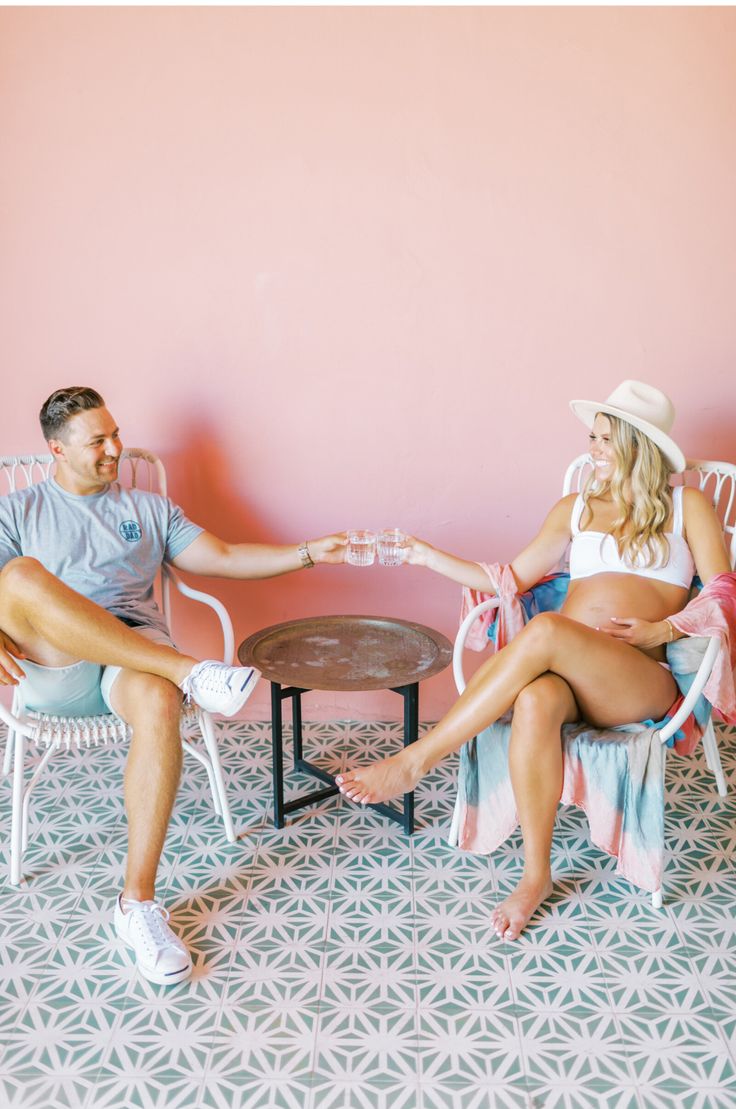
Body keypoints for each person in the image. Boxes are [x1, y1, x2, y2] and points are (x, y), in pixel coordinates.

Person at [336, 380, 731, 940]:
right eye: (590, 437)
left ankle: (417, 760)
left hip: (640, 678)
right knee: (536, 698)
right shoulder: (574, 509)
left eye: (603, 439)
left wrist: (661, 630)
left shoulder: (686, 507)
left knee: (547, 629)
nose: (591, 448)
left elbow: (723, 592)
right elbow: (508, 580)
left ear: (637, 446)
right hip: (569, 673)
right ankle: (534, 876)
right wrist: (426, 555)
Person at [0, 387, 347, 984]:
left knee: (161, 701)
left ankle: (136, 905)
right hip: (51, 665)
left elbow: (228, 555)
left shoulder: (149, 508)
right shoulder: (17, 511)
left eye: (116, 435)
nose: (115, 449)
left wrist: (311, 552)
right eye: (98, 442)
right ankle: (193, 672)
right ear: (56, 450)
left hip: (134, 663)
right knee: (23, 575)